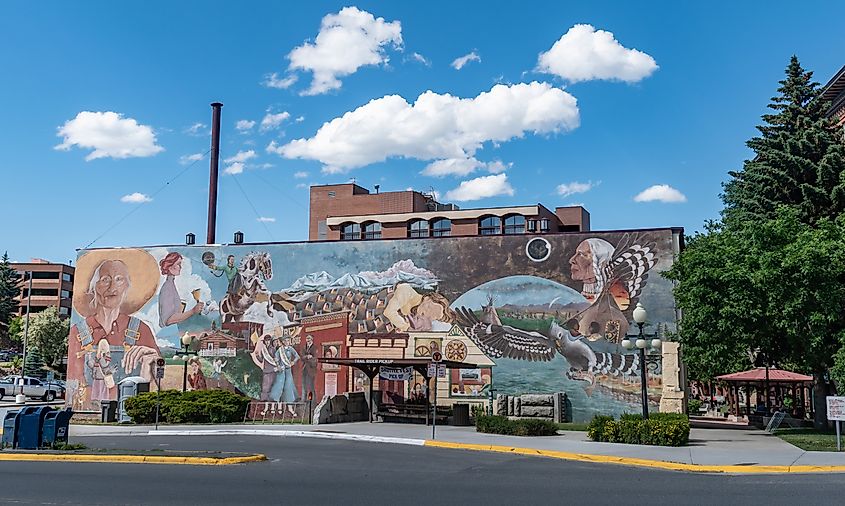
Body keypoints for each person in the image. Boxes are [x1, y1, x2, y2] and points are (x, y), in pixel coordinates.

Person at [68, 251, 161, 410]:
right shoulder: (78, 332)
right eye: (105, 280)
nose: (112, 287)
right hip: (91, 411)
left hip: (131, 411)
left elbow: (159, 385)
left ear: (127, 286)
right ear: (94, 287)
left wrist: (154, 363)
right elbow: (73, 381)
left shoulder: (141, 330)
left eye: (119, 280)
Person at [158, 252, 204, 328]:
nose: (180, 267)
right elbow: (168, 320)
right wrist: (192, 311)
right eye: (178, 264)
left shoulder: (171, 285)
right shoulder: (167, 288)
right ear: (170, 267)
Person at [300, 334, 317, 401]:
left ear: (312, 339)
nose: (308, 340)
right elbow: (302, 357)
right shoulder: (304, 347)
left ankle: (312, 401)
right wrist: (307, 356)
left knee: (311, 386)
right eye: (307, 338)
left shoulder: (315, 348)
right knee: (304, 386)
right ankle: (304, 400)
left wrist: (307, 358)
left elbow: (315, 358)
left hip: (311, 370)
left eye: (309, 338)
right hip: (304, 369)